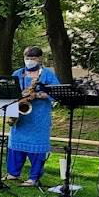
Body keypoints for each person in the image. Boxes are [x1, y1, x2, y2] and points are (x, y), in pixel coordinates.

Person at [6, 47, 59, 186]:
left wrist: (38, 95)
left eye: (33, 58)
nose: (29, 61)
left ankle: (33, 177)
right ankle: (13, 173)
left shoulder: (47, 75)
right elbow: (9, 91)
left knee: (37, 147)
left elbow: (57, 93)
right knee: (15, 144)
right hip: (20, 116)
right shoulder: (18, 73)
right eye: (27, 58)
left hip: (39, 118)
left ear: (40, 59)